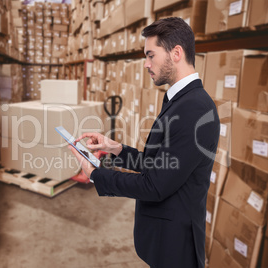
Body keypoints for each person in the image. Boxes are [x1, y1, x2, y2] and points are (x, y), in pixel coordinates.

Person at [69, 17, 220, 268]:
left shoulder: (194, 108)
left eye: (151, 55)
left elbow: (154, 185)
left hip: (176, 248)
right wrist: (114, 148)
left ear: (176, 53)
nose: (146, 64)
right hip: (164, 240)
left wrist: (96, 174)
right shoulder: (180, 99)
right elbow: (160, 164)